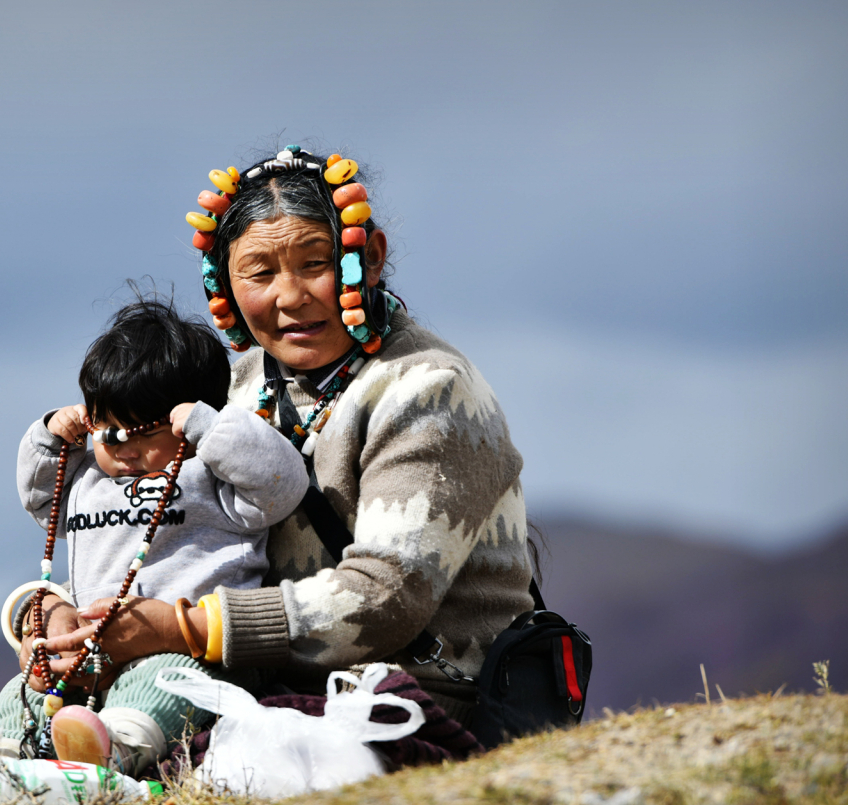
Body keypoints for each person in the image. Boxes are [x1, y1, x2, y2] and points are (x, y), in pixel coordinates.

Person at [38, 145, 534, 729]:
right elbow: (154, 533)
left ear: (370, 258)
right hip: (259, 697)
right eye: (260, 272)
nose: (290, 296)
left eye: (314, 263)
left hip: (415, 705)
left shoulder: (429, 390)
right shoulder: (230, 393)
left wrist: (182, 628)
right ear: (223, 281)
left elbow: (386, 598)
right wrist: (51, 617)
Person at [0, 295, 309, 783]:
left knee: (161, 686)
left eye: (143, 432)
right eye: (108, 431)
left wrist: (209, 425)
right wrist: (49, 435)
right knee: (29, 687)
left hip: (189, 651)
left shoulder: (212, 478)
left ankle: (113, 750)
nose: (124, 449)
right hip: (89, 652)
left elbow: (281, 482)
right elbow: (37, 494)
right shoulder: (86, 478)